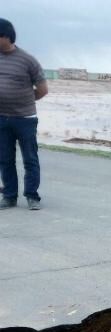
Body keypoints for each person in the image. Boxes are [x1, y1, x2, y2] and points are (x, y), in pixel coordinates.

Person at [0, 18, 47, 210]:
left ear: (6, 37)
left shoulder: (28, 60)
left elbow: (43, 89)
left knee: (30, 158)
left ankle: (32, 196)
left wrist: (24, 101)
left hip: (25, 119)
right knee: (5, 158)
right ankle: (10, 196)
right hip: (2, 119)